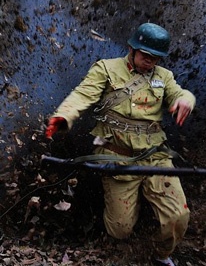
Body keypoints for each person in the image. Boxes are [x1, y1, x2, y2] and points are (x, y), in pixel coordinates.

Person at [45, 23, 196, 266]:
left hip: (155, 156)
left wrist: (186, 100)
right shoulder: (107, 69)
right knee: (120, 229)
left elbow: (179, 93)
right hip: (116, 156)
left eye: (155, 58)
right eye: (146, 56)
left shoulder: (163, 77)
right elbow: (83, 95)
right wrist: (64, 116)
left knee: (179, 217)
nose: (150, 62)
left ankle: (162, 255)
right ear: (132, 48)